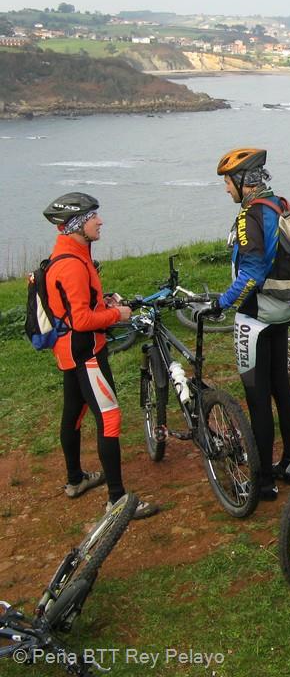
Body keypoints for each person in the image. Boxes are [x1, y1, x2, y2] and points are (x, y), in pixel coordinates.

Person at [42, 192, 158, 519]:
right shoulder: (73, 265)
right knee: (109, 418)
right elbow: (81, 320)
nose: (100, 221)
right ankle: (117, 501)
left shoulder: (70, 253)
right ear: (77, 224)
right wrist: (117, 314)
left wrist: (102, 304)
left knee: (74, 413)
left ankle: (75, 479)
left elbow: (75, 307)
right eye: (93, 217)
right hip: (86, 351)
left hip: (69, 351)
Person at [214, 147, 290, 501]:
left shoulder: (249, 216)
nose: (225, 189)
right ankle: (289, 464)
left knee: (258, 398)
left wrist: (220, 304)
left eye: (227, 182)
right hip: (282, 310)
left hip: (256, 317)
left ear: (242, 181)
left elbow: (250, 273)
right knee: (282, 388)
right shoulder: (279, 203)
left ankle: (263, 481)